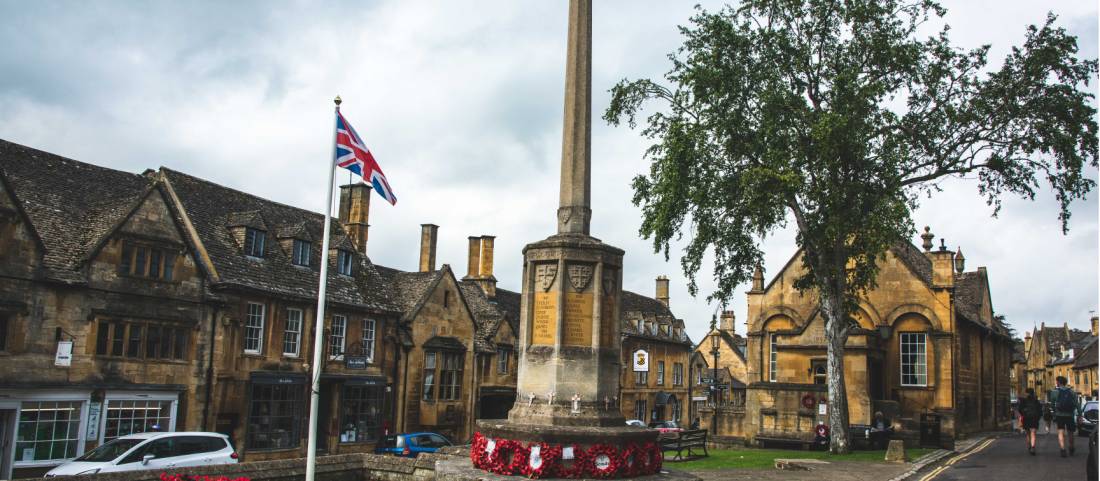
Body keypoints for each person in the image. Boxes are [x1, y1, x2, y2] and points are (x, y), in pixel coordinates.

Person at [1048, 375, 1080, 457]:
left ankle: (1062, 449)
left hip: (1060, 415)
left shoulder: (1055, 392)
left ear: (1058, 382)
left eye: (1056, 381)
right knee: (1071, 433)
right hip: (1070, 415)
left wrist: (1055, 412)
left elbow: (1052, 404)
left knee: (1061, 432)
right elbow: (1077, 404)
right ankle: (1071, 447)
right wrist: (1080, 414)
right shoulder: (1072, 392)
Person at [1018, 388, 1042, 455]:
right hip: (1034, 418)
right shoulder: (1036, 400)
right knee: (1033, 433)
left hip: (1027, 418)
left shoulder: (1024, 400)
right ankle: (1033, 447)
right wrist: (1038, 418)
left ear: (1027, 393)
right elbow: (1040, 410)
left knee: (1028, 433)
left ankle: (1029, 447)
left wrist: (1023, 415)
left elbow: (1020, 409)